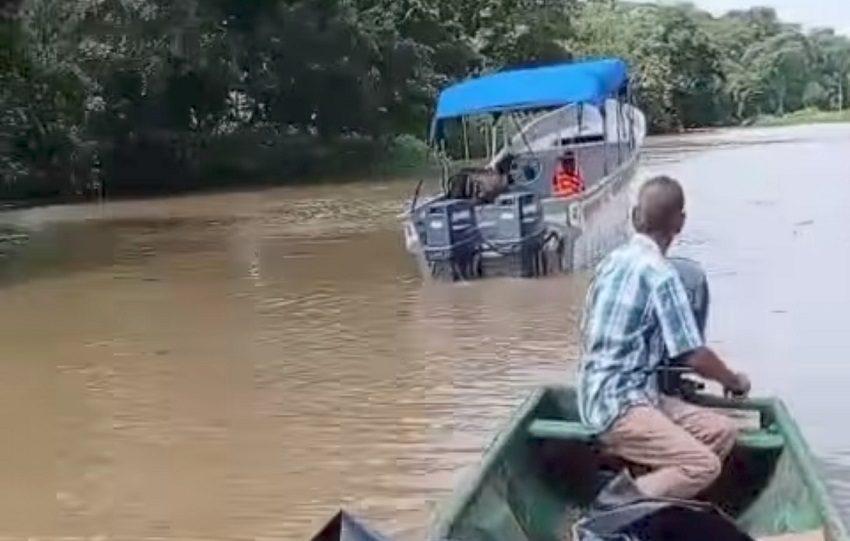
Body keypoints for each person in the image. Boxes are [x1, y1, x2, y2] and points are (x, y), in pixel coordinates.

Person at [576, 175, 751, 501]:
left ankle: (649, 497)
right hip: (618, 405)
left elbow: (585, 330)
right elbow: (693, 356)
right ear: (680, 223)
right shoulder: (661, 273)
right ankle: (607, 511)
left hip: (607, 393)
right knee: (703, 466)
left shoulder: (610, 262)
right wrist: (734, 381)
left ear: (635, 218)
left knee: (722, 431)